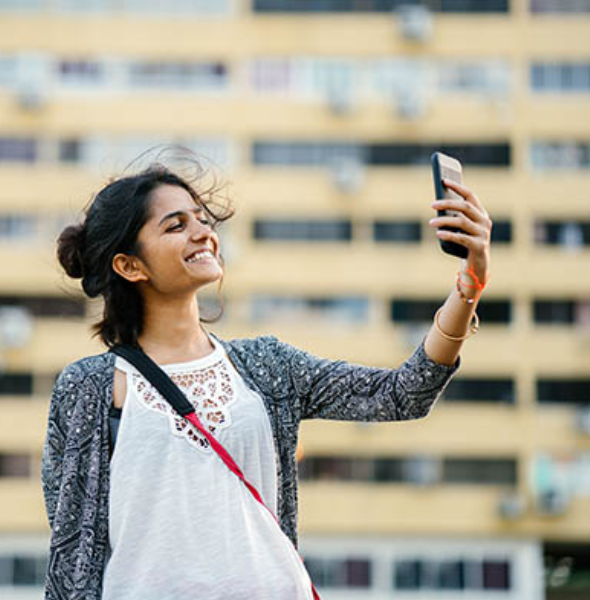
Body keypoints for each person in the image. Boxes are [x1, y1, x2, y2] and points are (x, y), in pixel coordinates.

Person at [41, 150, 492, 600]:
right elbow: (70, 547)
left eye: (202, 220)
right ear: (129, 265)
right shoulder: (91, 386)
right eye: (176, 225)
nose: (203, 233)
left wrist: (469, 285)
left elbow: (400, 395)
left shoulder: (267, 367)